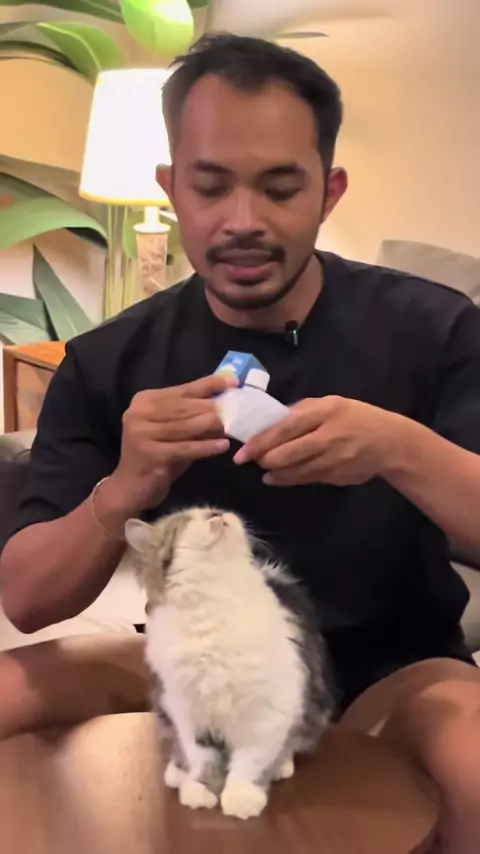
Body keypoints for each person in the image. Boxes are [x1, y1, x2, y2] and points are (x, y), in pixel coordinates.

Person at [1, 32, 480, 852]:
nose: (243, 222)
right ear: (171, 190)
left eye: (280, 189)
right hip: (193, 661)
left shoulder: (432, 328)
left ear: (329, 192)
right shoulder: (109, 361)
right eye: (211, 187)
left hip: (390, 670)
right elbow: (26, 600)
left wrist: (399, 448)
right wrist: (124, 488)